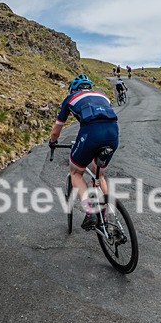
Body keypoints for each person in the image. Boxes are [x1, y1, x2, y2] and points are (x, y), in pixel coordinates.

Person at [48, 74, 120, 230]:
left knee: (76, 173)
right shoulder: (102, 95)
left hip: (91, 133)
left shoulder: (70, 98)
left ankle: (90, 211)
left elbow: (56, 131)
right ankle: (105, 215)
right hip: (113, 133)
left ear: (73, 89)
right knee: (99, 175)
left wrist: (52, 142)